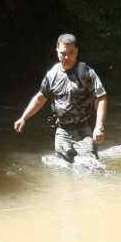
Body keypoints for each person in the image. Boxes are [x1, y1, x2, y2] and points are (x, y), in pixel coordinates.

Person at [14, 33, 108, 162]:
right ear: (57, 50)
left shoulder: (86, 73)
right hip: (61, 132)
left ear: (77, 51)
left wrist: (99, 127)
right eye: (63, 53)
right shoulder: (52, 75)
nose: (66, 57)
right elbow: (41, 98)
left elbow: (101, 98)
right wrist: (23, 118)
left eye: (71, 52)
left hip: (84, 130)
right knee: (63, 170)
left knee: (90, 169)